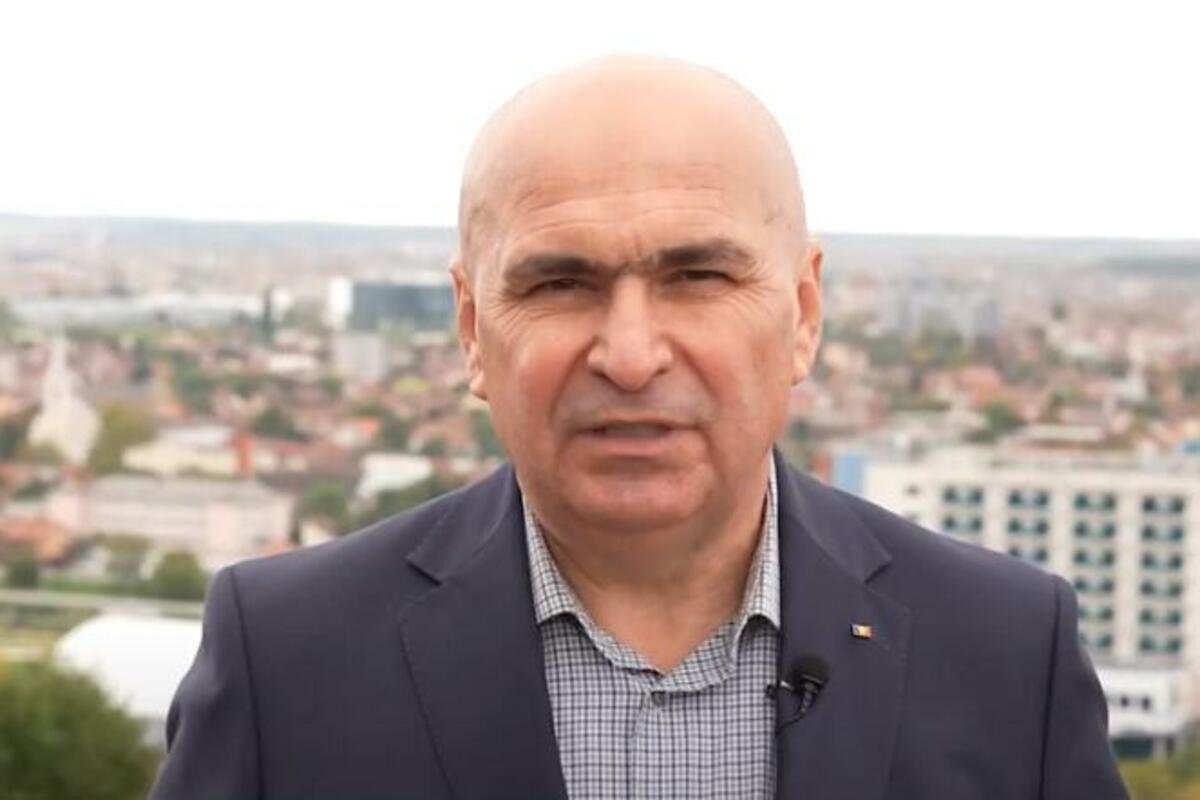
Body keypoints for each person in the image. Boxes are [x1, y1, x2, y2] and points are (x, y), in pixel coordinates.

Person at [151, 56, 1126, 799]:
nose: (628, 354)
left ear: (803, 312)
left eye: (697, 276)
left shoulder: (1008, 652)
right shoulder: (287, 658)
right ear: (472, 329)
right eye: (559, 283)